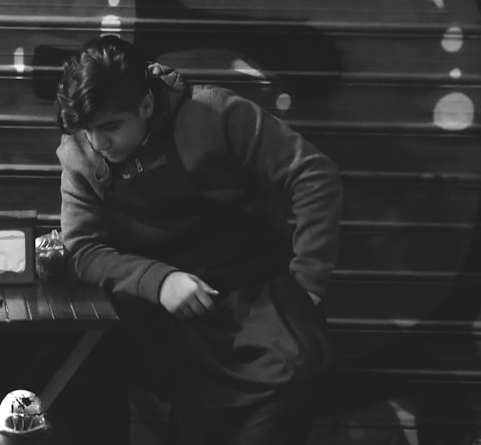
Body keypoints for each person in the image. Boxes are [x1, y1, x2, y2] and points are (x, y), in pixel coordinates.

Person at [54, 35, 342, 444]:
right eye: (88, 130)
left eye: (111, 127)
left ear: (147, 105)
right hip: (187, 336)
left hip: (266, 315)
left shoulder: (212, 114)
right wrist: (159, 280)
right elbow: (83, 250)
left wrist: (309, 282)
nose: (99, 143)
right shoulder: (81, 156)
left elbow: (314, 175)